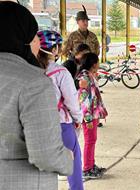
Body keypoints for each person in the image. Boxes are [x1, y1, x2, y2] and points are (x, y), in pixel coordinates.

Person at [0, 2, 72, 190]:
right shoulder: (34, 83)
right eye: (35, 36)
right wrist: (67, 158)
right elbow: (46, 154)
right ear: (23, 38)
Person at [36, 30, 84, 190]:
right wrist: (78, 119)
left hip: (34, 127)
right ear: (55, 49)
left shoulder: (28, 70)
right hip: (61, 126)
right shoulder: (60, 72)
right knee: (73, 164)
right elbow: (71, 101)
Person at [77, 52, 108, 179]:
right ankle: (87, 169)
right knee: (89, 141)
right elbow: (83, 100)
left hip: (93, 114)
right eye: (98, 62)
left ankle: (91, 164)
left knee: (92, 140)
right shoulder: (84, 78)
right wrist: (88, 118)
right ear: (94, 64)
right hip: (88, 116)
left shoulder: (89, 75)